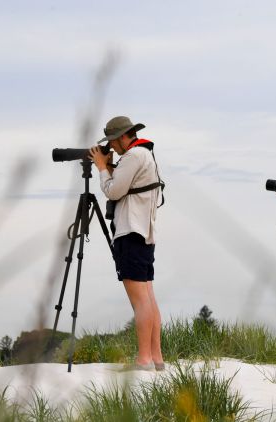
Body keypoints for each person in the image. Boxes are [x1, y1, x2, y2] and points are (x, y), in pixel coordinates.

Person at [89, 116, 165, 371]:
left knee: (140, 301)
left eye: (112, 142)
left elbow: (113, 191)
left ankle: (143, 359)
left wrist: (101, 167)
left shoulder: (133, 157)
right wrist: (111, 168)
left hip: (130, 231)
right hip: (144, 233)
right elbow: (124, 185)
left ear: (123, 137)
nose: (112, 147)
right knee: (148, 298)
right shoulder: (144, 155)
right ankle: (155, 357)